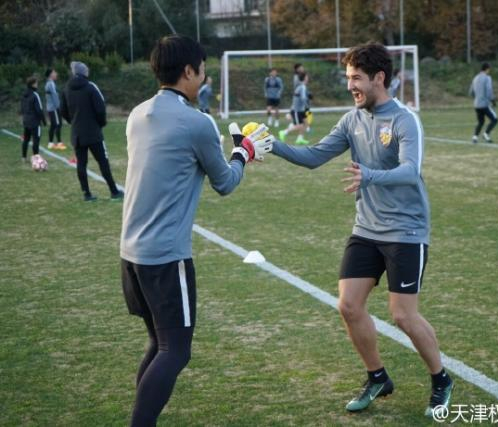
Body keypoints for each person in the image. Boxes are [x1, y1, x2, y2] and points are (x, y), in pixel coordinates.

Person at [270, 42, 453, 418]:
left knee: (403, 316)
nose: (350, 85)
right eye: (348, 77)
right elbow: (314, 156)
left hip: (406, 231)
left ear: (378, 78)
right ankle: (377, 377)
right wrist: (271, 145)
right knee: (349, 306)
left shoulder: (404, 119)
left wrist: (369, 175)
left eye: (356, 78)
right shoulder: (351, 120)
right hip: (367, 229)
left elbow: (410, 171)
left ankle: (441, 380)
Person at [120, 34, 272, 427]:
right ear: (188, 71)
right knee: (176, 350)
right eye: (202, 71)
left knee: (160, 343)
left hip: (131, 253)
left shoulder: (136, 114)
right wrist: (243, 152)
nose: (204, 78)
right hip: (166, 256)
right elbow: (225, 182)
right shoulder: (197, 122)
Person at [60, 61, 122, 201]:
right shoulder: (90, 87)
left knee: (81, 164)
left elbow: (63, 110)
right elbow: (100, 108)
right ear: (84, 72)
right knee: (103, 161)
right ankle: (114, 191)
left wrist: (73, 122)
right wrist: (101, 123)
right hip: (93, 132)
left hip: (77, 133)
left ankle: (86, 194)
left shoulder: (66, 89)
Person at [469, 62, 498, 143]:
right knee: (495, 119)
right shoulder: (487, 78)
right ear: (487, 69)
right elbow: (489, 90)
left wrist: (477, 98)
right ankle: (486, 134)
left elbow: (471, 92)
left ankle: (475, 137)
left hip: (476, 104)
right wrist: (493, 100)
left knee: (481, 121)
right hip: (484, 104)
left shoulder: (475, 78)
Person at [20, 76, 46, 162]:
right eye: (36, 83)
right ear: (33, 84)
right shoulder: (35, 94)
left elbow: (22, 108)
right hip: (35, 122)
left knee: (26, 139)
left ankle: (24, 158)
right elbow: (39, 109)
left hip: (26, 121)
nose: (37, 84)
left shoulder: (24, 95)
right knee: (36, 140)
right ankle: (36, 159)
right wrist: (43, 120)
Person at [278, 72, 310, 145]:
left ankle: (300, 139)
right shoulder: (302, 87)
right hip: (297, 110)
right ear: (305, 78)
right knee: (299, 126)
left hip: (301, 109)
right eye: (307, 77)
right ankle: (283, 132)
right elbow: (303, 98)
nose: (308, 78)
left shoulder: (300, 86)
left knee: (306, 122)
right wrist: (307, 106)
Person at [44, 68, 66, 150]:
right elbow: (54, 95)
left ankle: (50, 143)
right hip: (54, 108)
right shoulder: (51, 84)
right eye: (54, 72)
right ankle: (59, 143)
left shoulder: (49, 83)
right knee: (58, 124)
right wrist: (58, 106)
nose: (56, 74)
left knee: (54, 125)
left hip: (51, 107)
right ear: (50, 74)